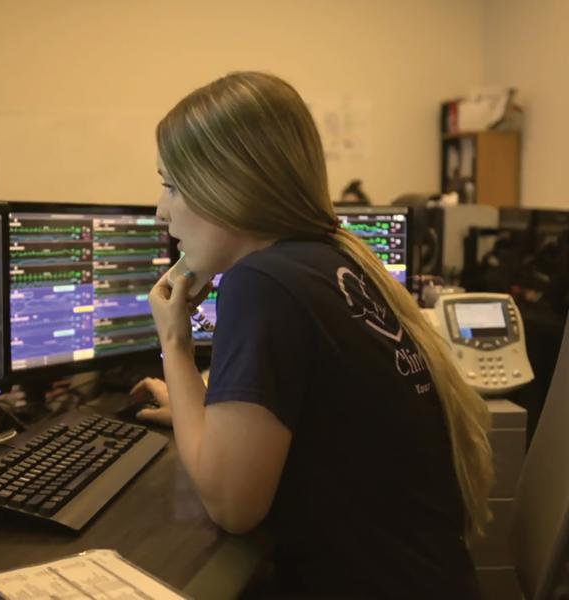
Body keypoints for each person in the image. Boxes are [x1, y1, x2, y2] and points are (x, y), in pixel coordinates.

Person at [129, 72, 493, 599]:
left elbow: (233, 507)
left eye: (172, 185)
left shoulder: (263, 285)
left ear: (228, 184)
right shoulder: (333, 262)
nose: (162, 210)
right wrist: (198, 410)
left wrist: (176, 345)